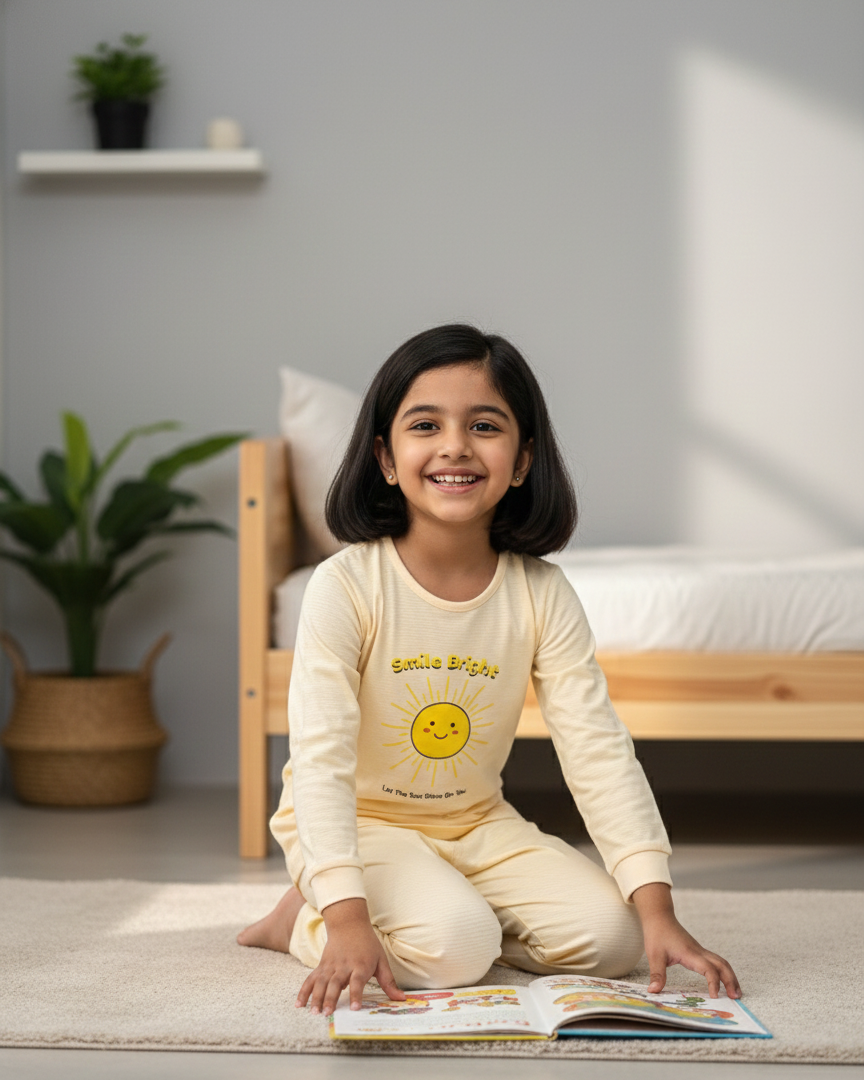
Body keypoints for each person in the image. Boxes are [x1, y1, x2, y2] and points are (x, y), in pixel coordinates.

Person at [238, 324, 740, 1016]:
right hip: (357, 821)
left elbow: (596, 751)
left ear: (524, 459)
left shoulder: (542, 592)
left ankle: (439, 901)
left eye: (484, 425)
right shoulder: (345, 585)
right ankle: (306, 913)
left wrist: (656, 903)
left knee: (617, 939)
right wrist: (349, 920)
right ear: (386, 458)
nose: (455, 446)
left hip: (476, 821)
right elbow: (320, 759)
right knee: (456, 949)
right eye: (425, 425)